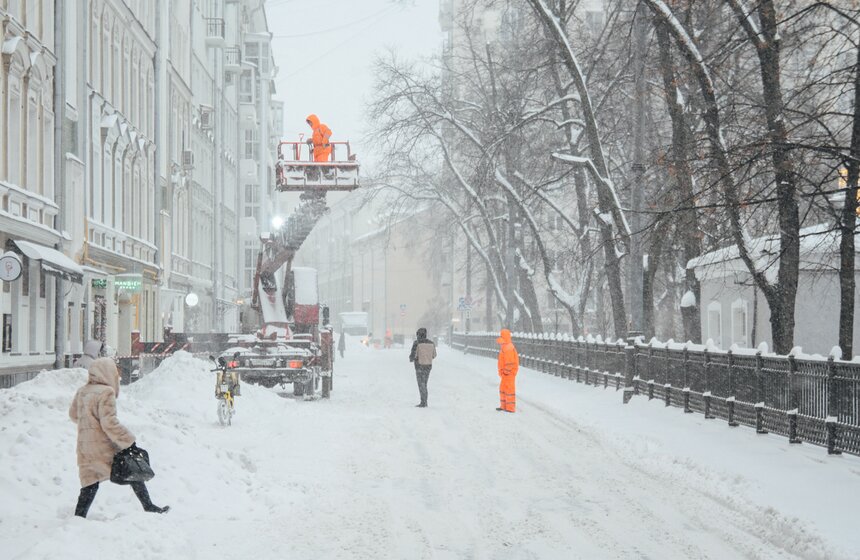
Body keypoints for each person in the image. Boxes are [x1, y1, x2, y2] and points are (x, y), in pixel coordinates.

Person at [69, 357, 169, 517]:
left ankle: (78, 518)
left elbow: (73, 415)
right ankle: (148, 506)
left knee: (90, 482)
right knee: (133, 468)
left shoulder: (82, 391)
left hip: (85, 448)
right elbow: (109, 423)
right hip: (102, 447)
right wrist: (128, 441)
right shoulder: (106, 392)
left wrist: (89, 423)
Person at [409, 328, 436, 408]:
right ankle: (424, 401)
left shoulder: (416, 343)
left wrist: (412, 358)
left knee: (421, 384)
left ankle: (423, 402)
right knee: (424, 383)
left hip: (419, 366)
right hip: (428, 366)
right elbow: (434, 355)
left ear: (418, 334)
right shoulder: (431, 343)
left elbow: (412, 356)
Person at [496, 329, 519, 413]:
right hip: (506, 374)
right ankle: (504, 406)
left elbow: (509, 363)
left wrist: (505, 372)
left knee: (509, 390)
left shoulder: (508, 348)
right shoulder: (506, 346)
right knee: (503, 389)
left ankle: (510, 408)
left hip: (508, 373)